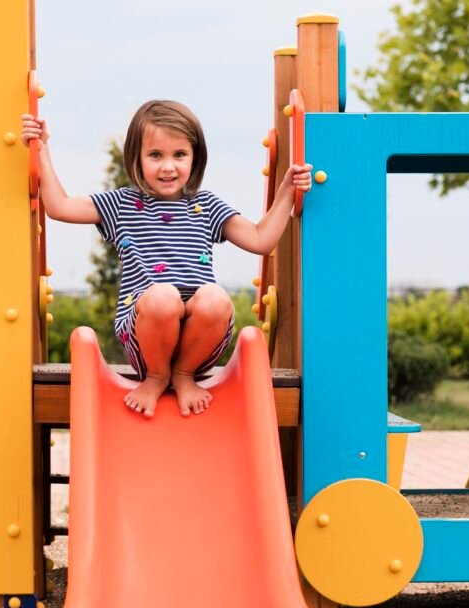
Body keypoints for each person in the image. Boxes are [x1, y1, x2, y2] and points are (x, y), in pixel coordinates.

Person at [21, 99, 312, 418]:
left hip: (200, 342)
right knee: (163, 296)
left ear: (194, 158)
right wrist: (42, 149)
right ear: (137, 157)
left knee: (214, 298)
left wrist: (287, 192)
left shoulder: (207, 206)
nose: (168, 166)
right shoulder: (122, 204)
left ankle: (184, 375)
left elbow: (260, 239)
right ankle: (157, 377)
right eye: (155, 155)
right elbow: (60, 206)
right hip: (146, 334)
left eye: (179, 155)